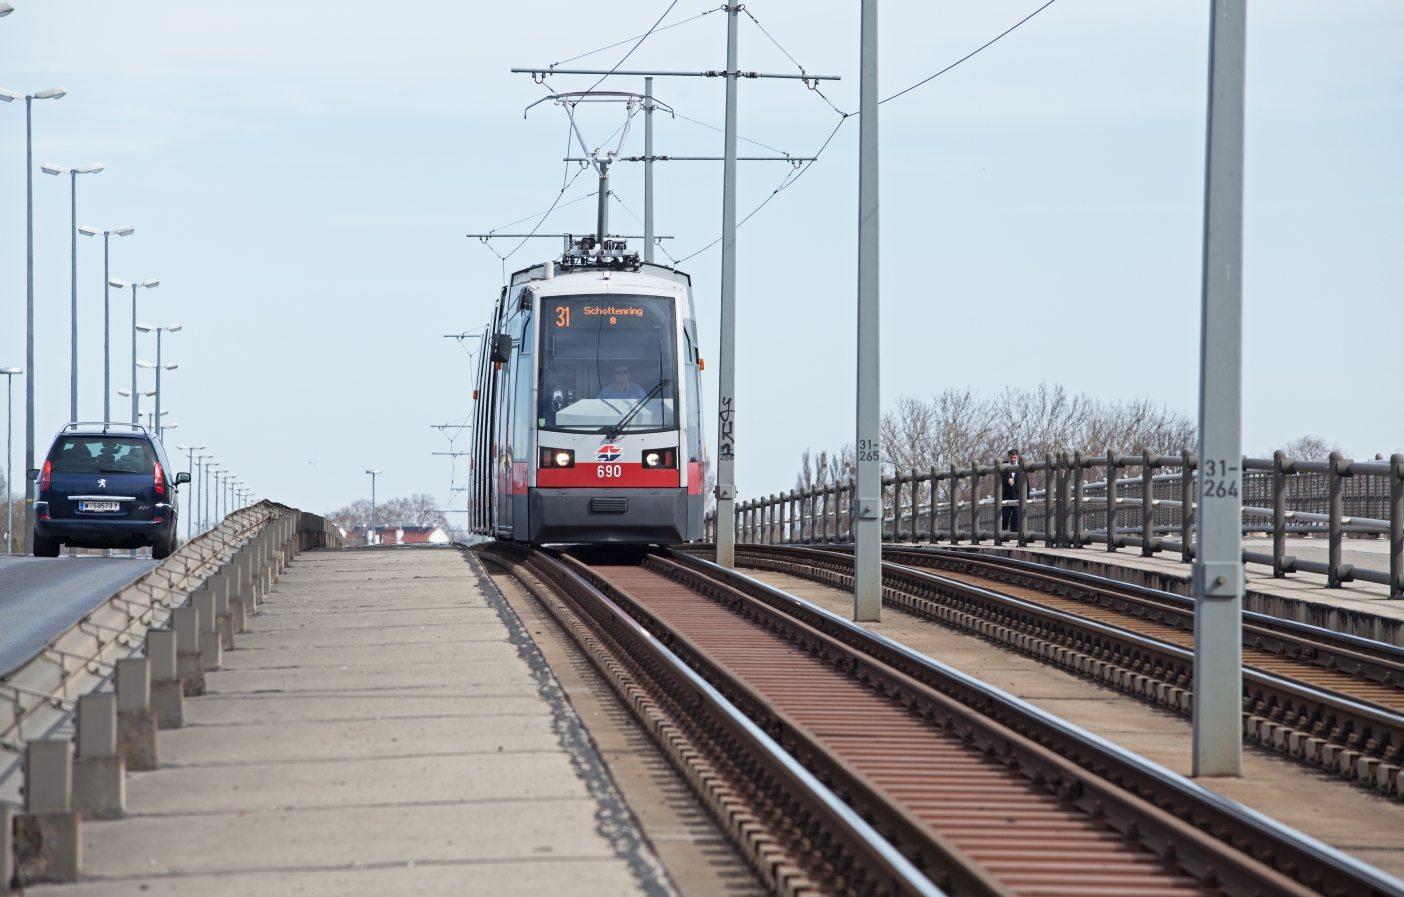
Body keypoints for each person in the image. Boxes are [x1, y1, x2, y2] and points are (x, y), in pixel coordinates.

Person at [1001, 449, 1022, 536]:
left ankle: (1014, 533)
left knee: (1016, 514)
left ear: (1017, 457)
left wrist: (1028, 498)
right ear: (1008, 457)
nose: (1013, 459)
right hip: (1006, 495)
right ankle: (1004, 531)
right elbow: (998, 478)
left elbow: (1026, 483)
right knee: (1005, 515)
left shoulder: (1021, 466)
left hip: (1017, 494)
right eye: (1011, 457)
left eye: (1014, 457)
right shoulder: (1003, 465)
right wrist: (1007, 480)